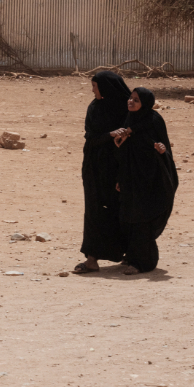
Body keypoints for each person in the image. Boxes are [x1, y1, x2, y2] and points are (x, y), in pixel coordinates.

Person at [113, 87, 178, 274]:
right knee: (129, 218)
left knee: (143, 218)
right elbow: (123, 152)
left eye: (136, 100)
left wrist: (162, 149)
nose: (131, 102)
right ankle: (132, 257)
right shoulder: (128, 119)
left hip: (150, 178)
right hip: (131, 176)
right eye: (131, 98)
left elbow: (164, 147)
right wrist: (120, 177)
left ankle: (143, 263)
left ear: (146, 104)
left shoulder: (154, 120)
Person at [73, 71, 132, 274]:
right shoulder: (94, 107)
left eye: (95, 86)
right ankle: (92, 259)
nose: (92, 90)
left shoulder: (127, 109)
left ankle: (130, 253)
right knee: (95, 211)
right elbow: (90, 137)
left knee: (123, 211)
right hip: (95, 168)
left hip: (118, 170)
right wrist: (109, 135)